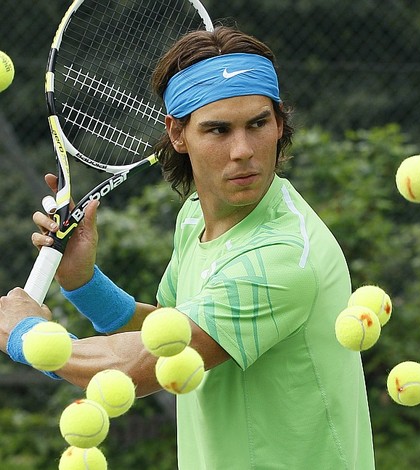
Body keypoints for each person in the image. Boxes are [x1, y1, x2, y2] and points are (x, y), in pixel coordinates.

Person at [0, 26, 375, 469]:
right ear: (178, 134)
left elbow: (142, 366)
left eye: (258, 124)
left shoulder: (283, 256)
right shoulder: (196, 214)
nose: (243, 151)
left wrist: (22, 336)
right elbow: (168, 330)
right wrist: (84, 283)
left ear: (278, 124)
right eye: (218, 130)